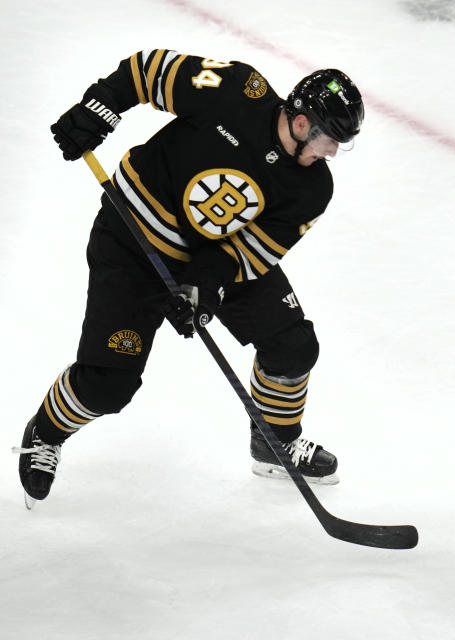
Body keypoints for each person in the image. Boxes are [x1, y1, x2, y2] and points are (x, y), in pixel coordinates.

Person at [15, 49, 365, 508]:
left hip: (206, 255)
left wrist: (206, 286)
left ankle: (274, 443)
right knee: (108, 384)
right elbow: (148, 71)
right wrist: (98, 107)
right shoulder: (241, 91)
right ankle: (45, 432)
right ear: (302, 125)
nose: (333, 152)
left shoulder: (314, 188)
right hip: (131, 242)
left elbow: (250, 251)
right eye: (330, 139)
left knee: (293, 345)